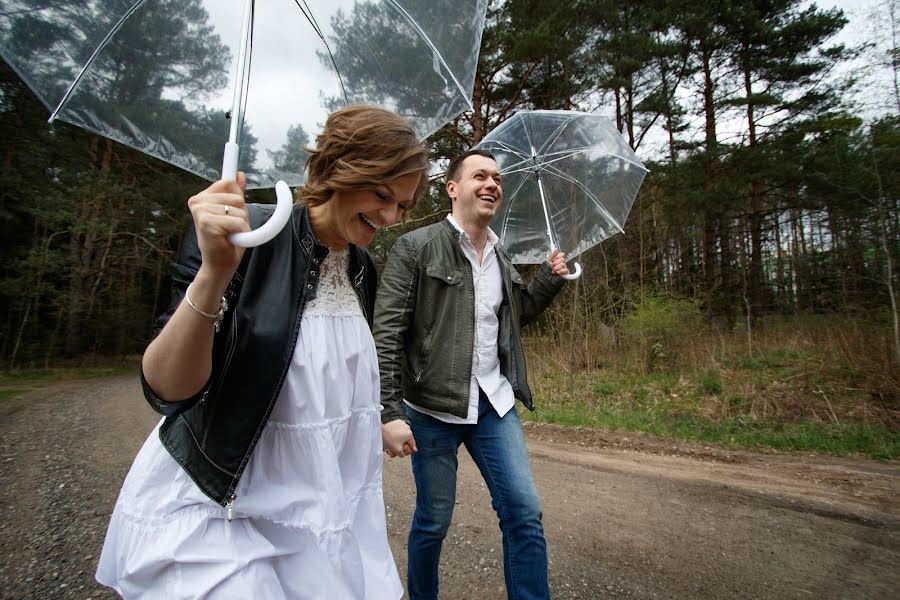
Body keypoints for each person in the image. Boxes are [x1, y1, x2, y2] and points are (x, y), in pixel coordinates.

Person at [95, 105, 425, 599]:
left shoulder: (362, 268)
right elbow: (167, 390)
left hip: (315, 512)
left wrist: (373, 424)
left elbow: (321, 379)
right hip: (222, 503)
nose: (390, 216)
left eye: (403, 204)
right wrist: (214, 274)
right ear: (339, 169)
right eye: (381, 194)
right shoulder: (244, 234)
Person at [374, 148, 570, 600]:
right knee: (433, 520)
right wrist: (387, 410)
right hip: (430, 408)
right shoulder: (417, 247)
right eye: (480, 175)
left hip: (493, 404)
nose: (492, 185)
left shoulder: (502, 256)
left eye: (498, 179)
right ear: (453, 188)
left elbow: (514, 316)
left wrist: (548, 280)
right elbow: (386, 333)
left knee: (523, 511)